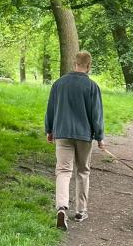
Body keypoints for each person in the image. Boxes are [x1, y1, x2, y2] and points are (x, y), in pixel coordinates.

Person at [45, 50, 105, 231]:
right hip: (84, 135)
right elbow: (97, 115)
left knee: (63, 171)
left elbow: (51, 108)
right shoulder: (92, 87)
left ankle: (62, 207)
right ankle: (80, 211)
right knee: (83, 171)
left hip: (62, 133)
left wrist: (49, 129)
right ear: (89, 66)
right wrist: (100, 137)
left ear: (74, 64)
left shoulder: (59, 84)